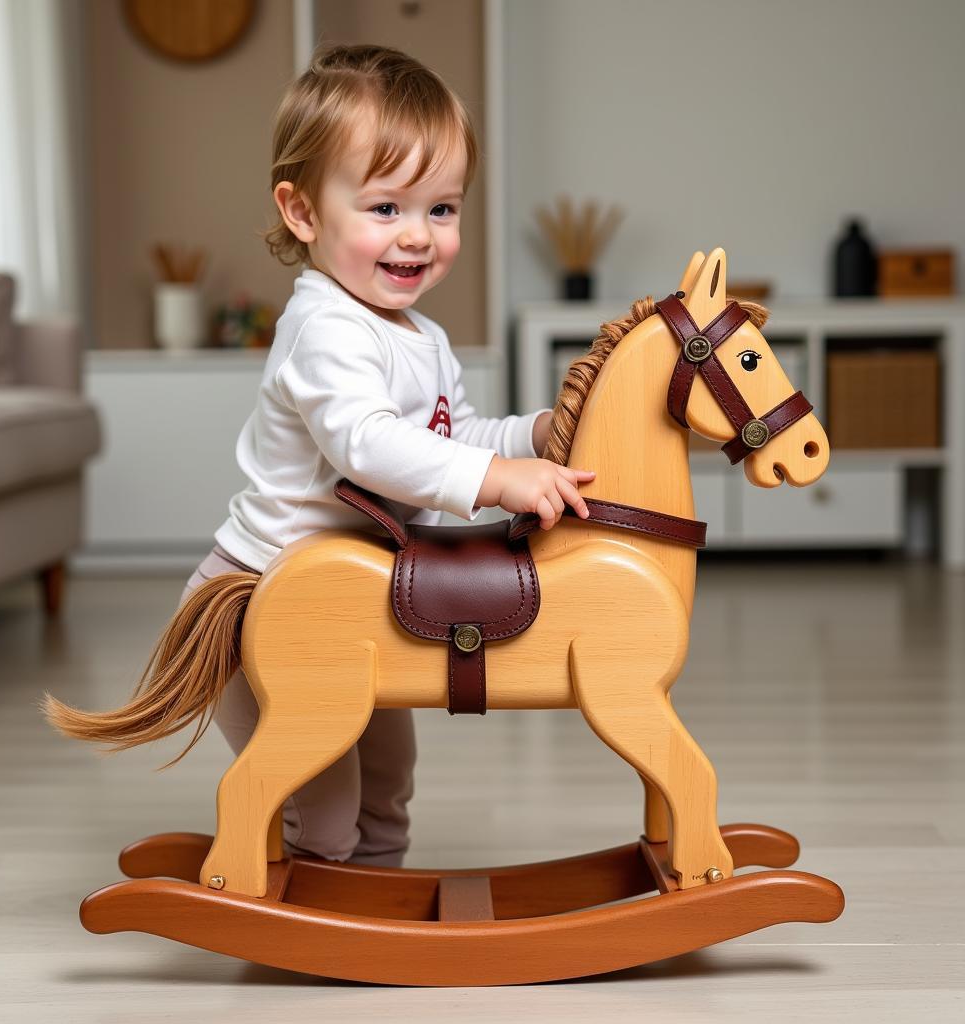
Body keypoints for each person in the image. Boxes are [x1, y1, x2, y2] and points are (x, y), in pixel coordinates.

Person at [53, 44, 595, 868]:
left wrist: (534, 435)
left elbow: (449, 435)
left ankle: (370, 908)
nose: (417, 236)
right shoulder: (326, 327)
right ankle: (305, 895)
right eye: (385, 208)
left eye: (442, 210)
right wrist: (493, 480)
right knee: (324, 791)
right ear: (302, 213)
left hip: (355, 602)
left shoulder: (419, 333)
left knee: (387, 777)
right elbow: (369, 444)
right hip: (269, 597)